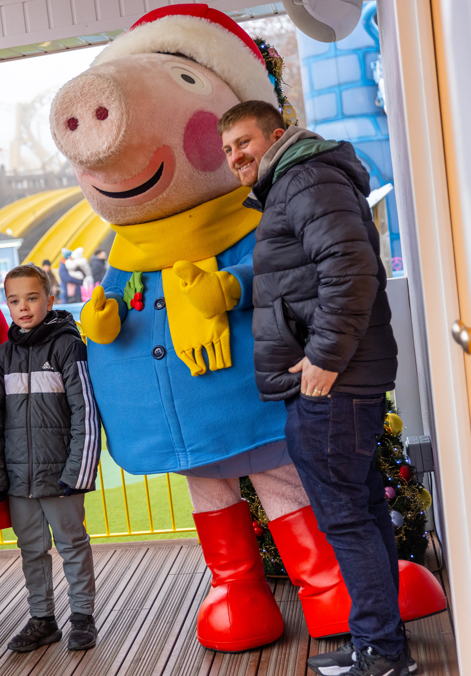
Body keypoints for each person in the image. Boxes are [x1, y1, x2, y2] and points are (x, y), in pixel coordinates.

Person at [220, 101, 406, 676]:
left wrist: (324, 359)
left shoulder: (303, 176)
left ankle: (380, 651)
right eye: (227, 150)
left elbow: (349, 265)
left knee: (346, 517)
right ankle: (379, 640)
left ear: (277, 135)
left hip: (333, 383)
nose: (235, 157)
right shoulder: (299, 181)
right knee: (363, 508)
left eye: (244, 142)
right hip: (343, 380)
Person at [0, 264, 101, 653]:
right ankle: (42, 620)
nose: (23, 307)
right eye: (14, 300)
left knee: (72, 546)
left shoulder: (68, 346)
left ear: (49, 300)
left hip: (61, 476)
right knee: (31, 551)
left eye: (32, 298)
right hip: (19, 480)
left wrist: (78, 472)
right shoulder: (2, 356)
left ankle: (82, 618)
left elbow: (86, 411)